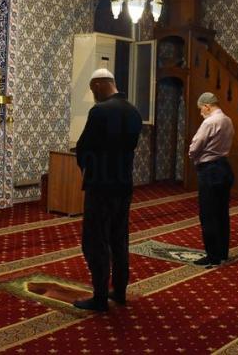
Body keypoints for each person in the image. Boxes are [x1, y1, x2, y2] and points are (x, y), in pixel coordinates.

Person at [73, 68, 143, 311]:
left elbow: (84, 147)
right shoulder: (133, 111)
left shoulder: (100, 111)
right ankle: (120, 291)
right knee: (119, 238)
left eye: (93, 89)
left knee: (96, 241)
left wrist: (87, 168)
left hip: (101, 186)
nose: (93, 95)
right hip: (124, 184)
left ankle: (100, 297)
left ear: (99, 84)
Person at [188, 92, 235, 267]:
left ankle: (212, 256)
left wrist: (192, 155)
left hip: (209, 170)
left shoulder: (210, 122)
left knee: (208, 214)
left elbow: (196, 146)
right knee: (222, 212)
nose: (201, 113)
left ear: (207, 106)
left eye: (201, 109)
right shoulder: (228, 120)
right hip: (224, 168)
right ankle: (222, 252)